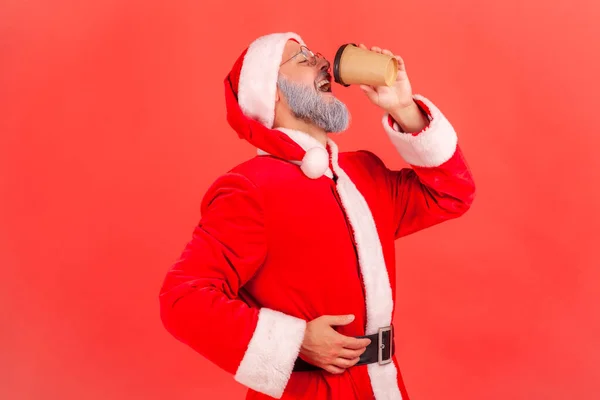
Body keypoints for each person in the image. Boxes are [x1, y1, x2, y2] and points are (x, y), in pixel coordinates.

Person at [159, 32, 476, 400]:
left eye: (317, 55)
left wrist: (404, 107)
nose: (325, 62)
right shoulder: (249, 188)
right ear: (272, 92)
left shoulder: (364, 173)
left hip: (384, 388)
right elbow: (182, 298)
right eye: (303, 60)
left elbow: (452, 192)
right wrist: (295, 341)